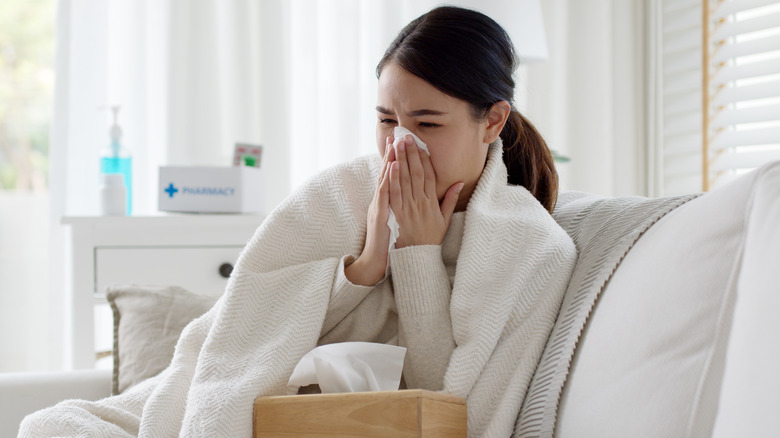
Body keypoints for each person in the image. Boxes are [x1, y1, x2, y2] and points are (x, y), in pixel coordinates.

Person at [21, 6, 576, 438]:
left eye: (427, 123)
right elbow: (241, 334)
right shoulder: (341, 193)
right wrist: (361, 270)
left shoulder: (526, 249)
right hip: (247, 398)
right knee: (49, 425)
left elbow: (447, 408)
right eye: (385, 120)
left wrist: (418, 258)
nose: (400, 144)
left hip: (347, 422)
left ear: (492, 120)